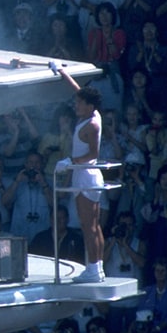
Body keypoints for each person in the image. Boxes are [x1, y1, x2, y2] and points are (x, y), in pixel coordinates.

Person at [53, 66, 106, 283]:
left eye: (79, 103)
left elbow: (93, 153)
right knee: (93, 225)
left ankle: (93, 269)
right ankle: (98, 268)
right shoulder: (91, 112)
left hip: (86, 177)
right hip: (84, 176)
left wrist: (69, 162)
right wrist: (62, 72)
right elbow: (78, 90)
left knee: (89, 226)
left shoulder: (92, 125)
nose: (75, 104)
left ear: (89, 106)